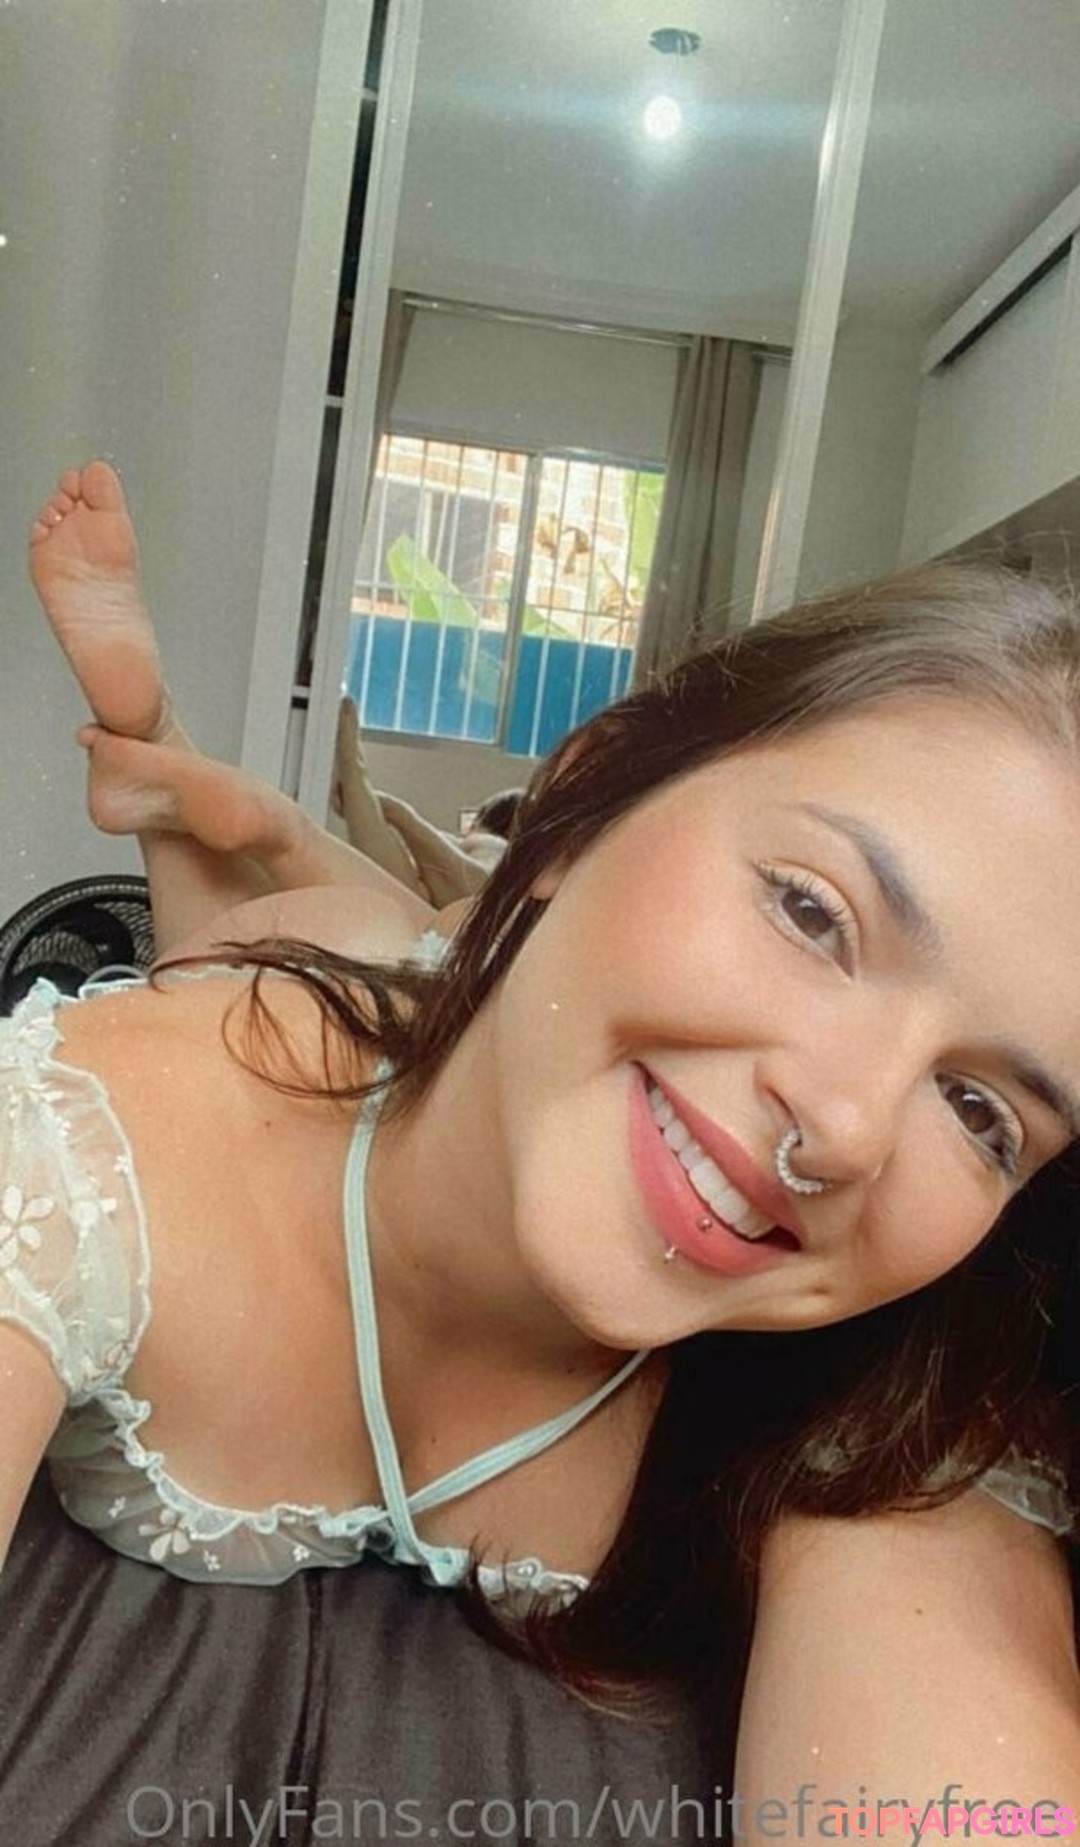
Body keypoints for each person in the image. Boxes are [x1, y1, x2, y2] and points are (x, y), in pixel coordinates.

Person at [12, 463, 1080, 1817]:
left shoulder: (887, 1391)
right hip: (300, 1025)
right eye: (813, 913)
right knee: (263, 959)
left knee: (421, 946)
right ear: (581, 796)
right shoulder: (91, 1147)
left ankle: (275, 832)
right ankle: (169, 764)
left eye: (981, 1111)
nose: (850, 1128)